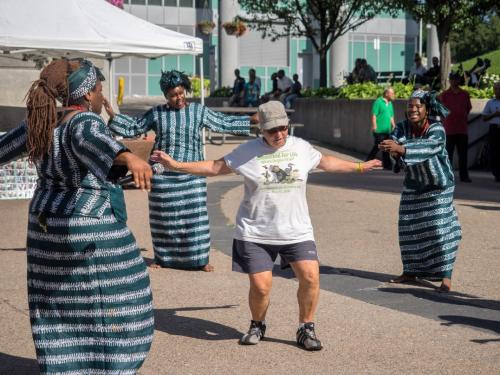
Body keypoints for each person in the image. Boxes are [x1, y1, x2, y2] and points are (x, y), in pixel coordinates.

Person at [150, 101, 381, 350]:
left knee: (311, 277)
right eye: (272, 130)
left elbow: (325, 162)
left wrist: (359, 166)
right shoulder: (247, 151)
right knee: (261, 287)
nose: (279, 134)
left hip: (296, 230)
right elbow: (215, 167)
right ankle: (257, 324)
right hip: (256, 232)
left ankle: (306, 328)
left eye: (283, 128)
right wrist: (177, 165)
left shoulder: (300, 147)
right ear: (261, 129)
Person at [0, 59, 154, 373]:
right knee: (126, 292)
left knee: (56, 300)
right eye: (99, 90)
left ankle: (64, 364)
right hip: (83, 221)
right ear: (86, 95)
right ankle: (110, 364)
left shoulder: (41, 121)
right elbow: (93, 142)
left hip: (44, 224)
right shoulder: (84, 121)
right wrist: (128, 157)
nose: (101, 96)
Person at [106, 70, 258, 272]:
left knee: (195, 220)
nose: (178, 98)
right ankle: (163, 258)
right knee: (163, 220)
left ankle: (200, 259)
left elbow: (222, 122)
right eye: (172, 95)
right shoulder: (157, 113)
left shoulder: (198, 111)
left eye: (180, 93)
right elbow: (135, 127)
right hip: (163, 175)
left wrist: (250, 121)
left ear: (184, 90)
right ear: (165, 96)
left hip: (192, 174)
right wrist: (112, 115)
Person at [379, 90, 462, 292]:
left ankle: (446, 276)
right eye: (410, 106)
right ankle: (410, 271)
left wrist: (402, 149)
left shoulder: (437, 129)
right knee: (409, 228)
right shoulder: (401, 127)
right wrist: (391, 150)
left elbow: (429, 146)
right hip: (414, 184)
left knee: (439, 229)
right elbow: (394, 144)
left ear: (427, 109)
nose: (413, 109)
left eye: (418, 106)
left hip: (439, 185)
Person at [439, 72, 472, 182]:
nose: (454, 81)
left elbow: (467, 109)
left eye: (456, 79)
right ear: (449, 80)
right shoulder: (444, 95)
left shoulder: (465, 94)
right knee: (448, 155)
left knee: (463, 155)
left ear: (459, 80)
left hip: (462, 129)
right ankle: (447, 176)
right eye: (452, 79)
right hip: (449, 129)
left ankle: (464, 176)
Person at [366, 87, 395, 170]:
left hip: (387, 130)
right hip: (379, 130)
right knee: (378, 146)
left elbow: (391, 116)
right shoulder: (378, 102)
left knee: (386, 147)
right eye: (392, 93)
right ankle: (367, 162)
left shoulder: (390, 104)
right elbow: (374, 115)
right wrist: (374, 125)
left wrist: (393, 125)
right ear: (386, 94)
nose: (393, 95)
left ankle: (387, 165)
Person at [482, 81, 500, 182]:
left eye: (499, 89)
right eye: (495, 89)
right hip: (494, 129)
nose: (497, 91)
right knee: (494, 151)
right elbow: (484, 117)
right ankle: (496, 173)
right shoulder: (490, 103)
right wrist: (494, 114)